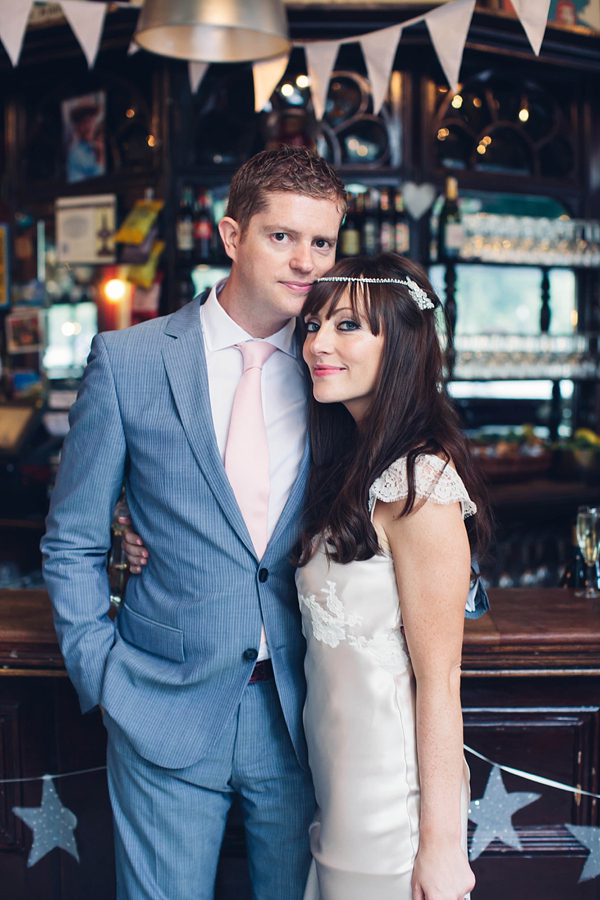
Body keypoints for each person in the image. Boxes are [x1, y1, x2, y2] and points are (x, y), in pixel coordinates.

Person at [124, 251, 491, 900]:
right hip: (332, 796)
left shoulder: (422, 485)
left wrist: (441, 847)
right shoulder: (344, 466)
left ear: (402, 343)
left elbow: (441, 683)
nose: (318, 342)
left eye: (348, 326)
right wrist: (136, 529)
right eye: (315, 323)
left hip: (392, 812)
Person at [41, 146, 347, 900]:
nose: (306, 261)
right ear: (231, 235)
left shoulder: (337, 365)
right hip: (159, 702)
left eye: (323, 242)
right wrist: (101, 670)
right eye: (282, 236)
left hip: (305, 714)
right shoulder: (129, 360)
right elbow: (71, 536)